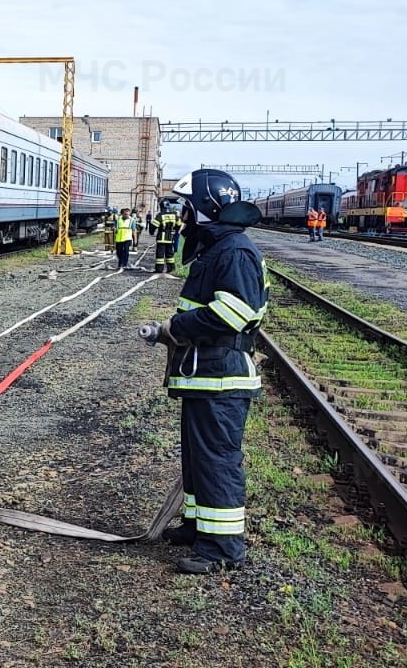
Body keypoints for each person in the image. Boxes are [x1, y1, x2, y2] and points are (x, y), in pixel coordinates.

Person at [152, 169, 268, 575]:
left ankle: (222, 548)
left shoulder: (233, 252)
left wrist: (176, 329)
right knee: (198, 458)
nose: (181, 216)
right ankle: (200, 526)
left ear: (202, 207)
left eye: (185, 207)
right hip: (205, 375)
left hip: (221, 377)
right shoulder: (219, 248)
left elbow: (233, 313)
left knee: (217, 460)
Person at [150, 199, 182, 273]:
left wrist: (151, 232)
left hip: (161, 237)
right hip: (170, 238)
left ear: (161, 206)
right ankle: (171, 268)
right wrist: (175, 232)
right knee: (170, 253)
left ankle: (159, 269)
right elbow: (179, 225)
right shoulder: (174, 215)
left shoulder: (160, 215)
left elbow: (154, 225)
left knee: (160, 254)